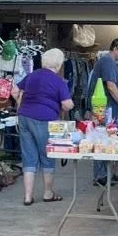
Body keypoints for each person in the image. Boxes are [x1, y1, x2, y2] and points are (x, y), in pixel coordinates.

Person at [11, 47, 72, 205]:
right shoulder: (59, 81)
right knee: (47, 155)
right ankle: (47, 193)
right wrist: (70, 104)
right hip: (44, 119)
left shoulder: (32, 75)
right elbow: (66, 105)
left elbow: (14, 90)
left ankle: (28, 196)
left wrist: (19, 103)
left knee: (28, 157)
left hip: (24, 117)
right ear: (58, 65)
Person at [89, 38, 118, 185]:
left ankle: (108, 173)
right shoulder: (107, 62)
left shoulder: (111, 63)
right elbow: (111, 86)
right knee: (102, 138)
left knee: (111, 138)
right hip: (104, 109)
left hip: (108, 109)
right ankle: (100, 175)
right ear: (115, 48)